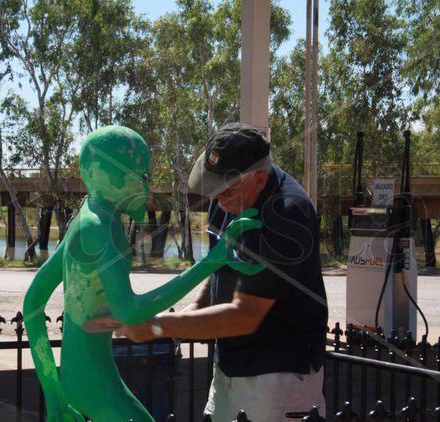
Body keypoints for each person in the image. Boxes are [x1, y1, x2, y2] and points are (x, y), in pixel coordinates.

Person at [23, 125, 264, 422]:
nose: (148, 187)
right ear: (112, 176)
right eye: (143, 175)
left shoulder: (84, 218)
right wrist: (210, 262)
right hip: (96, 386)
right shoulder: (104, 229)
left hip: (77, 379)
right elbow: (129, 312)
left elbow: (33, 301)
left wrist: (52, 387)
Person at [115, 122, 329, 421]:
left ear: (259, 178)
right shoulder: (227, 197)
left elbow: (244, 316)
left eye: (223, 190)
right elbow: (222, 270)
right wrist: (192, 311)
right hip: (229, 365)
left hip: (277, 376)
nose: (215, 199)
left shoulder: (286, 213)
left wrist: (159, 326)